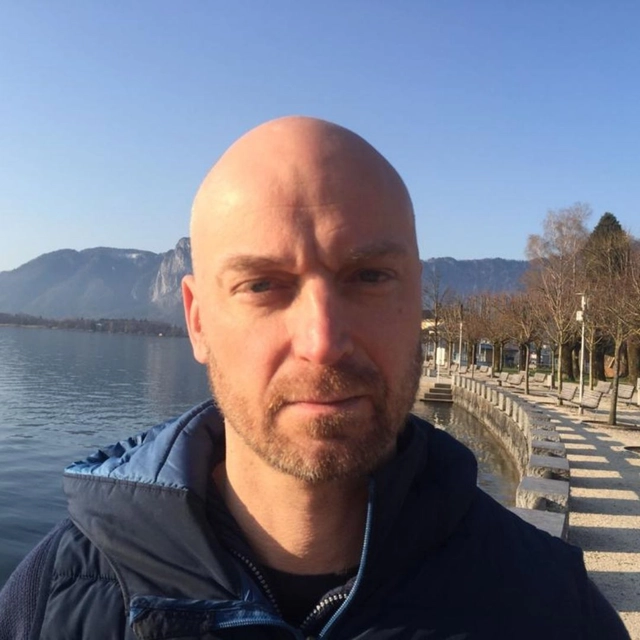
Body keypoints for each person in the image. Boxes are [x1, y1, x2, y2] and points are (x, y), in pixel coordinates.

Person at [0, 116, 630, 640]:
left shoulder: (554, 609)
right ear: (197, 321)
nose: (322, 341)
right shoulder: (50, 600)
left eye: (369, 277)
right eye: (262, 285)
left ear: (418, 299)